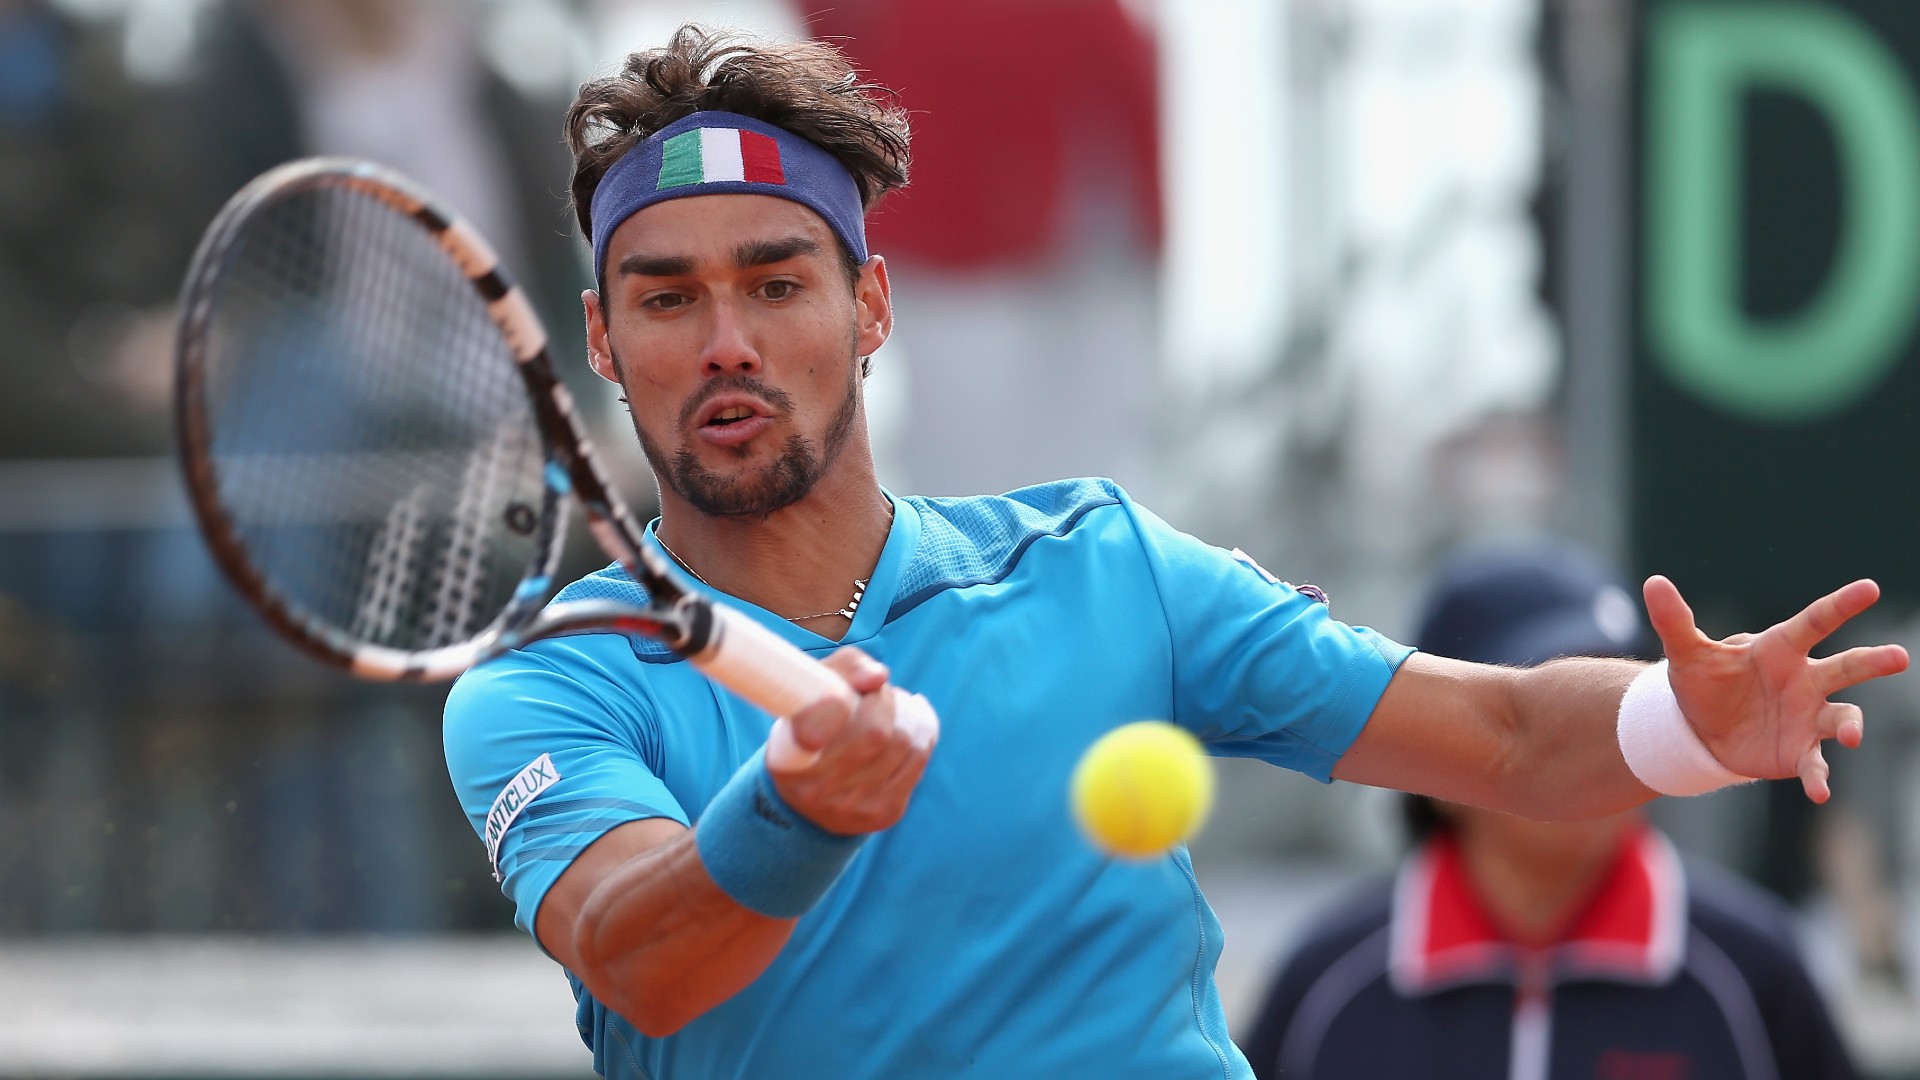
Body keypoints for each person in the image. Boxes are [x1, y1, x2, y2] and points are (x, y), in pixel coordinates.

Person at [439, 26, 1907, 1079]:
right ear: (604, 340)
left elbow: (1510, 735)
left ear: (872, 309)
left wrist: (1680, 724)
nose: (732, 343)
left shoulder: (1106, 567)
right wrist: (801, 811)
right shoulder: (553, 683)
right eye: (670, 297)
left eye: (778, 282)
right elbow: (639, 953)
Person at [1237, 544, 1862, 1079]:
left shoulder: (1753, 971)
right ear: (1428, 748)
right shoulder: (1327, 984)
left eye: (1619, 713)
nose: (1596, 753)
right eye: (1544, 721)